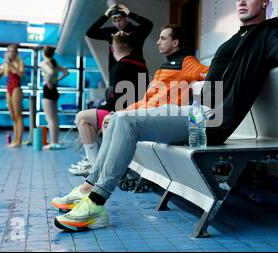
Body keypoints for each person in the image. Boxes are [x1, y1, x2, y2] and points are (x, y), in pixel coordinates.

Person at [52, 0, 278, 232]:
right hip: (196, 113)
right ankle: (88, 188)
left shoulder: (269, 32)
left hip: (210, 122)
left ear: (264, 1)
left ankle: (96, 204)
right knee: (120, 118)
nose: (241, 2)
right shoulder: (239, 36)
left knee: (128, 122)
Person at [68, 24, 209, 176]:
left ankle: (101, 171)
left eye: (162, 38)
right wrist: (119, 112)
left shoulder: (186, 62)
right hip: (148, 113)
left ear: (175, 43)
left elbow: (208, 73)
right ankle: (101, 170)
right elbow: (146, 101)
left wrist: (196, 89)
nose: (157, 42)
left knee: (113, 123)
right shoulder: (163, 67)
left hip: (162, 117)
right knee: (111, 120)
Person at [68, 30, 150, 175]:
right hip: (137, 111)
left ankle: (93, 162)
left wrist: (101, 107)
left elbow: (115, 100)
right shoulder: (142, 65)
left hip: (119, 113)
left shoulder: (118, 67)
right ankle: (95, 161)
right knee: (91, 117)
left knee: (81, 117)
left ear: (112, 48)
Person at [85, 2, 153, 84]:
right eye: (114, 21)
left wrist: (130, 14)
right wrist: (105, 16)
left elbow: (149, 25)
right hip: (117, 74)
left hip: (137, 72)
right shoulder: (111, 32)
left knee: (141, 95)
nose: (117, 24)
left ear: (126, 18)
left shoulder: (136, 31)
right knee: (119, 96)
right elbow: (90, 32)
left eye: (120, 20)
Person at [39, 46, 69, 150]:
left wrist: (49, 82)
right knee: (55, 118)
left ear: (44, 53)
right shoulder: (55, 63)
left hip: (48, 90)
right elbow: (66, 72)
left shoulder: (43, 63)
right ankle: (55, 141)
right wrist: (56, 80)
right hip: (54, 90)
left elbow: (50, 73)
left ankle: (53, 143)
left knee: (50, 119)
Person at [0, 44, 25, 148]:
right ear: (7, 53)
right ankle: (15, 140)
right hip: (8, 89)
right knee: (13, 117)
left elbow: (21, 75)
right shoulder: (6, 63)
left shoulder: (19, 62)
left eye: (13, 51)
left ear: (16, 53)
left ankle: (19, 141)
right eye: (9, 51)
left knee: (18, 116)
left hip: (16, 88)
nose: (11, 53)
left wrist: (11, 65)